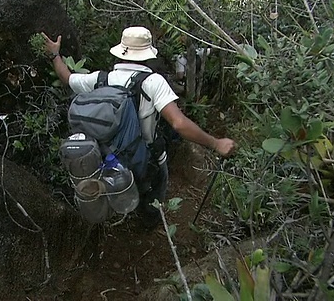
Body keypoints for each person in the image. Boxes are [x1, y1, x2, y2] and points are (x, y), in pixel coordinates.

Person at [42, 26, 237, 229]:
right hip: (144, 158)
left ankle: (122, 210)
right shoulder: (153, 82)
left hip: (106, 155)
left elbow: (67, 78)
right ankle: (148, 222)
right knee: (156, 188)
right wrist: (216, 143)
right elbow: (179, 123)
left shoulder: (101, 78)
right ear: (148, 54)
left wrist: (55, 54)